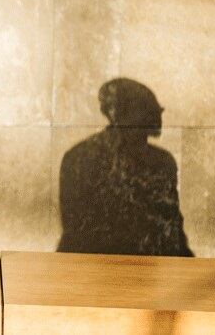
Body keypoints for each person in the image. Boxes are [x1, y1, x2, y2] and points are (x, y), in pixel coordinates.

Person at [57, 77, 193, 257]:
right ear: (118, 114)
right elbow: (77, 229)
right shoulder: (79, 159)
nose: (155, 118)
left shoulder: (162, 162)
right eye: (145, 112)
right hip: (98, 264)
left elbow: (172, 228)